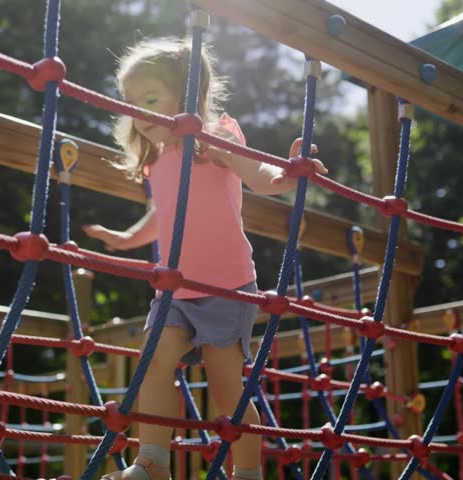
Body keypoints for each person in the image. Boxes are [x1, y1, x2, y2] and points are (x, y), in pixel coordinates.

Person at [83, 37, 327, 480]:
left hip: (226, 286)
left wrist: (288, 174)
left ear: (187, 95)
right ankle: (152, 462)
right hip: (175, 285)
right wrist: (126, 238)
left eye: (151, 99)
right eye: (131, 103)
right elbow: (165, 213)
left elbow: (258, 176)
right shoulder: (156, 158)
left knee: (227, 386)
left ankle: (248, 472)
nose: (140, 113)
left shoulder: (215, 139)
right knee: (153, 363)